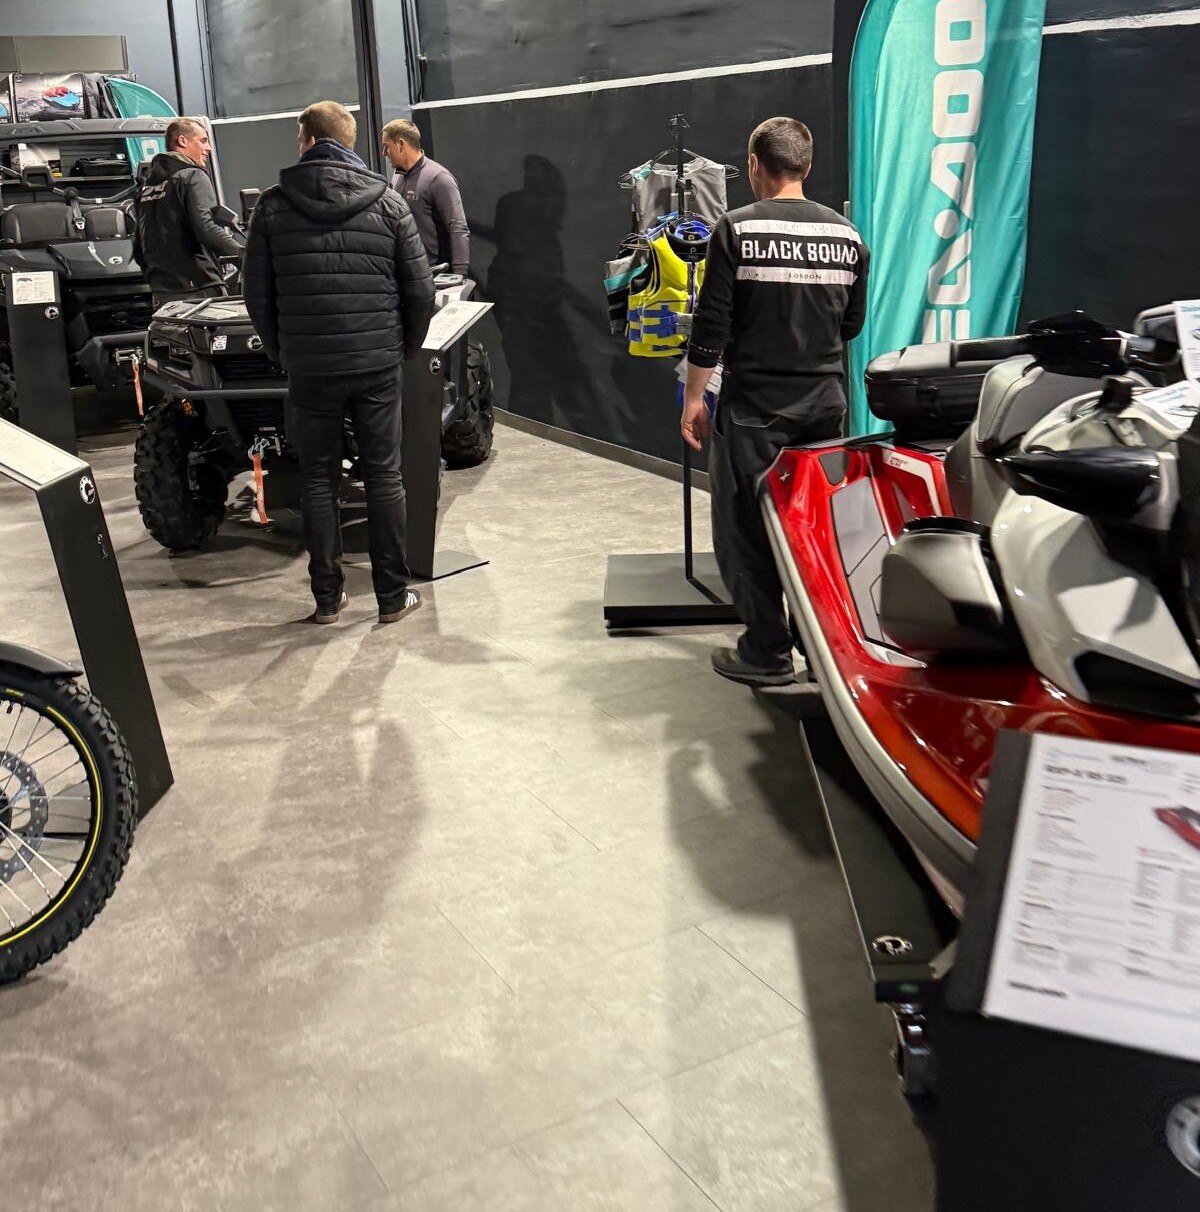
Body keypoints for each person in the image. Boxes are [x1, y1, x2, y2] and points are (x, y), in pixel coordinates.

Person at [682, 117, 870, 687]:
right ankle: (824, 652)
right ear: (807, 166)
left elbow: (711, 326)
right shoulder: (847, 235)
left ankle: (766, 653)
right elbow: (852, 325)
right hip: (826, 407)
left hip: (754, 410)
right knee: (816, 530)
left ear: (754, 165)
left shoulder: (736, 228)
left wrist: (694, 397)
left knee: (746, 529)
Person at [243, 100, 435, 626]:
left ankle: (327, 599)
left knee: (318, 479)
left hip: (309, 366)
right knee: (385, 477)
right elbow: (420, 292)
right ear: (350, 142)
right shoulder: (389, 204)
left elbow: (256, 294)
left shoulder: (272, 206)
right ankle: (392, 597)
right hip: (377, 363)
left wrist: (283, 350)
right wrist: (402, 348)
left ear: (307, 139)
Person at [135, 117, 244, 307]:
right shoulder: (192, 175)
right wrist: (245, 256)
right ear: (182, 141)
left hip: (162, 293)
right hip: (200, 286)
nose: (208, 148)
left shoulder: (145, 188)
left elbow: (138, 245)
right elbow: (207, 228)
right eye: (203, 141)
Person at [381, 119, 471, 277]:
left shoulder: (439, 178)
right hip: (405, 274)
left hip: (433, 275)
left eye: (386, 147)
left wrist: (459, 276)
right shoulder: (397, 177)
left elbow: (458, 228)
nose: (384, 153)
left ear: (400, 144)